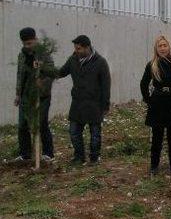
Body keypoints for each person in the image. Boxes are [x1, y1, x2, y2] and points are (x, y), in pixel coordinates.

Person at [56, 35, 111, 165]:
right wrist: (45, 71)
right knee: (74, 132)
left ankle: (94, 158)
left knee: (95, 134)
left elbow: (106, 85)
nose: (77, 51)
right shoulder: (73, 60)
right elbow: (61, 72)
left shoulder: (100, 62)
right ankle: (79, 157)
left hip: (94, 104)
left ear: (87, 47)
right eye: (75, 48)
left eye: (79, 49)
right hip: (77, 103)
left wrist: (105, 105)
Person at [140, 35, 171, 176]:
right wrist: (148, 100)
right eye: (160, 46)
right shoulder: (152, 65)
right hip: (157, 102)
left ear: (169, 47)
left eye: (164, 45)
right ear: (156, 48)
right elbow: (143, 84)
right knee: (157, 136)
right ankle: (154, 166)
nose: (162, 48)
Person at [13, 27, 55, 163]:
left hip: (42, 96)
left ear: (35, 39)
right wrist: (18, 93)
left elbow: (51, 73)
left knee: (41, 124)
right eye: (25, 44)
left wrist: (41, 83)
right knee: (23, 125)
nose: (27, 46)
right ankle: (25, 154)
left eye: (30, 43)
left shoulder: (44, 54)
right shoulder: (22, 54)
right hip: (26, 96)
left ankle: (48, 154)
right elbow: (20, 75)